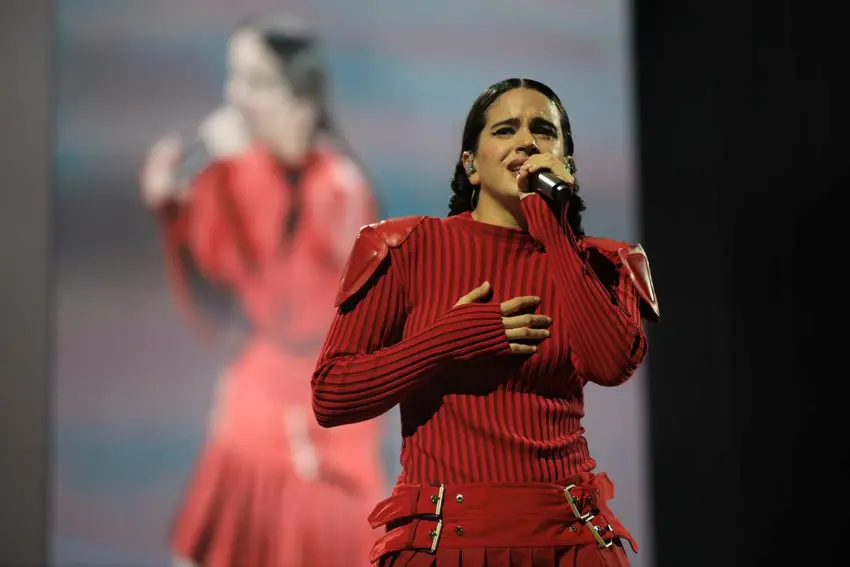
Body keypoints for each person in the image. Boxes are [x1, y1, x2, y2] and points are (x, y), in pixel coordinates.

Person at [311, 78, 660, 567]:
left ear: (566, 162)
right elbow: (331, 395)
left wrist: (555, 232)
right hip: (445, 545)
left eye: (543, 131)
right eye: (505, 129)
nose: (527, 142)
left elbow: (610, 365)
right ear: (471, 165)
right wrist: (446, 340)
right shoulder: (408, 249)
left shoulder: (604, 264)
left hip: (573, 543)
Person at [140, 15, 384, 567]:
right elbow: (217, 313)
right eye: (233, 77)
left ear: (304, 102)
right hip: (247, 425)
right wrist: (172, 215)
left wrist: (234, 175)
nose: (236, 97)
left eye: (257, 82)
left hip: (317, 449)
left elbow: (290, 311)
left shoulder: (340, 188)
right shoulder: (233, 173)